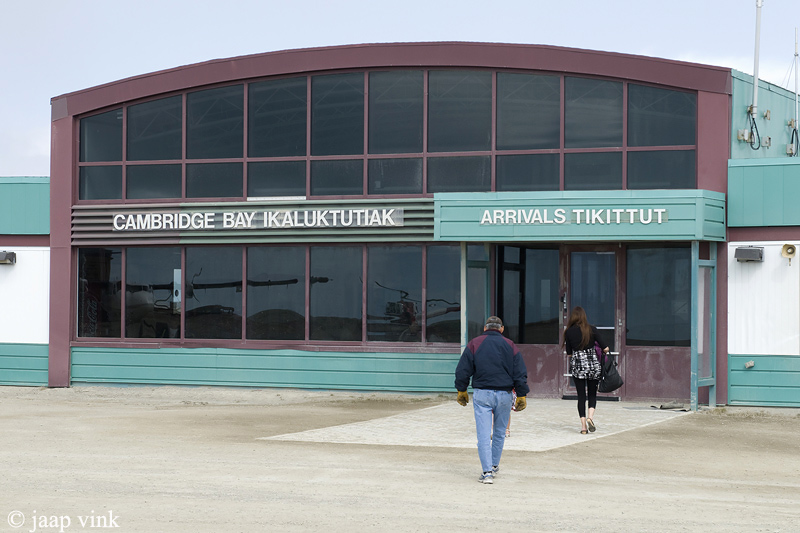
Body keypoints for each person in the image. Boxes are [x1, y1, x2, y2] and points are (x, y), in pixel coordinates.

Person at [455, 316, 529, 484]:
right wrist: (522, 394)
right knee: (500, 433)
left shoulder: (474, 343)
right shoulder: (510, 345)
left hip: (482, 394)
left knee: (483, 434)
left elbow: (463, 370)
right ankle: (494, 465)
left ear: (484, 328)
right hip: (504, 394)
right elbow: (519, 372)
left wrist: (462, 389)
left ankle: (487, 472)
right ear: (501, 329)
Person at [562, 306, 609, 435]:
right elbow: (605, 347)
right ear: (584, 316)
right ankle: (590, 418)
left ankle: (583, 427)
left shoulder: (569, 332)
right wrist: (604, 350)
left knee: (581, 396)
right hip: (593, 365)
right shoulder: (592, 329)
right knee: (592, 393)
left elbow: (569, 353)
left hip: (578, 366)